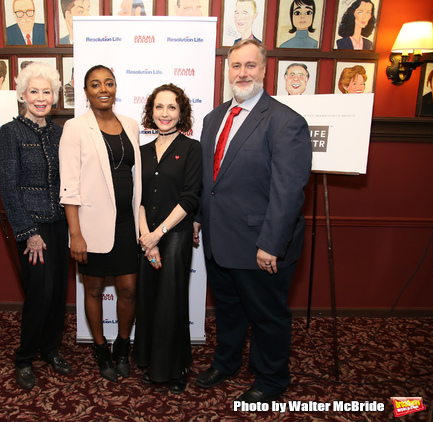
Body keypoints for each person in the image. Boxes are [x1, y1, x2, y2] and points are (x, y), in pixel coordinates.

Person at [194, 39, 312, 404]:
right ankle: (226, 362)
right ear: (227, 70)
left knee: (267, 317)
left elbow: (289, 190)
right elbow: (207, 180)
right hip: (219, 240)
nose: (242, 73)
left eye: (250, 66)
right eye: (236, 66)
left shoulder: (285, 121)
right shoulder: (214, 118)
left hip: (261, 244)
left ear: (264, 70)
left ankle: (272, 379)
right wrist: (199, 218)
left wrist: (270, 245)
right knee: (228, 310)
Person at [59, 65, 141, 383]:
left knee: (129, 290)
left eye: (108, 83)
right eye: (95, 84)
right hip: (90, 226)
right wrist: (75, 234)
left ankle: (122, 346)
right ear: (86, 92)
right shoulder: (75, 128)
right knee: (93, 289)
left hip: (126, 223)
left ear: (116, 87)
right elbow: (69, 186)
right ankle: (100, 348)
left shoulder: (131, 125)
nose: (103, 89)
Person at [0, 62, 72, 390]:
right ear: (21, 95)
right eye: (34, 92)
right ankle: (24, 357)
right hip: (33, 229)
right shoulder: (10, 132)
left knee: (58, 293)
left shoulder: (60, 132)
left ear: (54, 96)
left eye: (46, 92)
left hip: (60, 225)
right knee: (39, 294)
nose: (40, 98)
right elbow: (8, 188)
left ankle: (50, 349)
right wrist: (28, 233)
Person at [133, 84, 202, 394]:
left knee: (170, 302)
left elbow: (190, 199)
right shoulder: (142, 150)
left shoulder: (192, 148)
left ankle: (174, 368)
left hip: (176, 235)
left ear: (181, 112)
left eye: (171, 107)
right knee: (148, 298)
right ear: (151, 111)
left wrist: (158, 236)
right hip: (147, 234)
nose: (164, 113)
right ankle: (150, 360)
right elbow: (139, 199)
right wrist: (147, 238)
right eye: (159, 107)